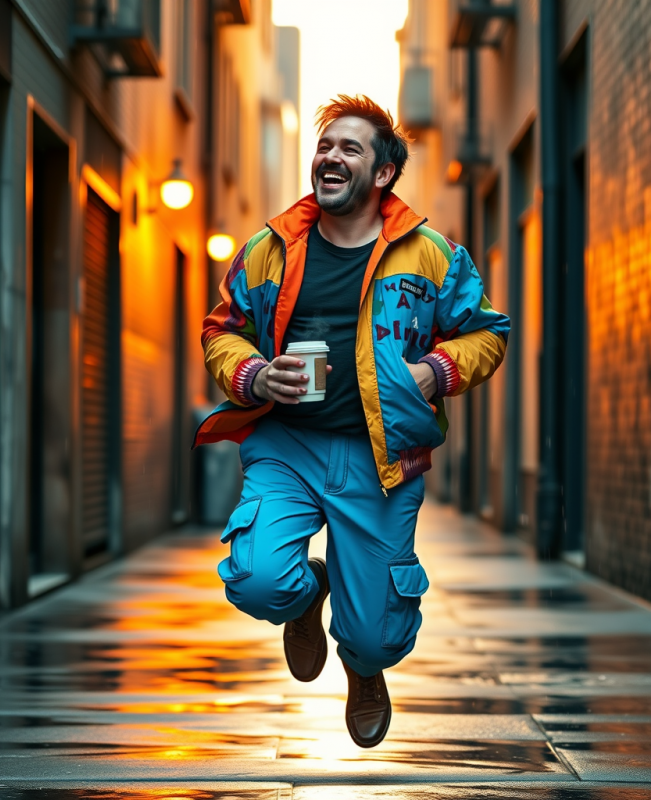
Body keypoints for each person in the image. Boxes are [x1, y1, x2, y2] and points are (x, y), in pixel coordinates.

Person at [195, 95, 510, 748]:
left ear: (382, 174)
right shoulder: (268, 248)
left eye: (350, 148)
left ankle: (363, 669)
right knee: (257, 582)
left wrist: (434, 372)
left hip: (382, 460)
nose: (330, 157)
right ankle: (307, 591)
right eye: (325, 145)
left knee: (377, 634)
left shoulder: (433, 257)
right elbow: (223, 331)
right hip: (287, 447)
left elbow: (486, 333)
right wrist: (255, 374)